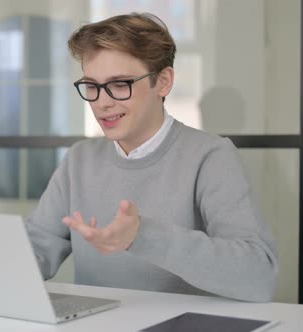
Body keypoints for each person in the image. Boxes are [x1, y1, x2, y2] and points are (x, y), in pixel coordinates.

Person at [24, 12, 278, 302]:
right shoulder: (80, 159)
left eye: (120, 84)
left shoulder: (211, 156)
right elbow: (36, 250)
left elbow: (259, 277)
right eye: (92, 86)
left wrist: (142, 236)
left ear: (164, 82)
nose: (102, 102)